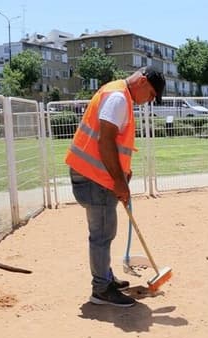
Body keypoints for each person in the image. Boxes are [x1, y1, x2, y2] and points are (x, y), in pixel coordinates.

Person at [65, 67, 165, 307]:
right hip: (94, 177)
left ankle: (106, 278)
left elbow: (114, 142)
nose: (149, 101)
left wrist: (123, 174)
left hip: (96, 176)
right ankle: (101, 289)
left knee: (104, 233)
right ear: (141, 81)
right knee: (102, 235)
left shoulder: (119, 95)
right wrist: (119, 181)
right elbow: (105, 141)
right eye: (151, 94)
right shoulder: (119, 98)